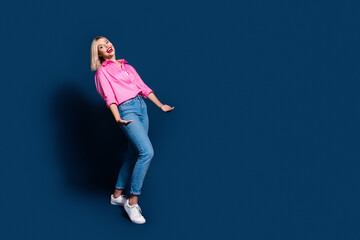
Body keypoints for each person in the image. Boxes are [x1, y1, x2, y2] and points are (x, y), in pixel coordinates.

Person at [90, 36, 174, 224]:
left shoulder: (127, 67)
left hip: (141, 107)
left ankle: (116, 195)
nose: (107, 46)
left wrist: (161, 105)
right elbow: (109, 97)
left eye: (107, 42)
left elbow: (143, 88)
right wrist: (117, 117)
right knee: (147, 152)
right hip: (126, 109)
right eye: (101, 47)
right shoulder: (102, 73)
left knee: (132, 154)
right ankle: (132, 201)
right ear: (99, 54)